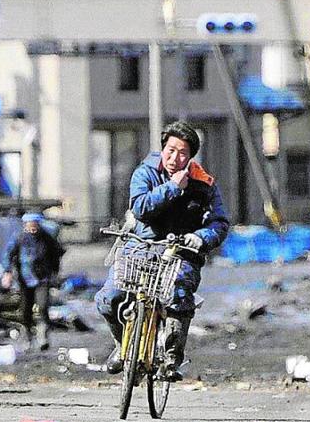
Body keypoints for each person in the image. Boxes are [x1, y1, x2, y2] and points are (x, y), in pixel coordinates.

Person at [95, 120, 230, 382]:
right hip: (140, 247)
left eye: (182, 153)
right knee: (109, 298)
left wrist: (199, 238)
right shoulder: (144, 173)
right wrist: (172, 188)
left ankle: (171, 358)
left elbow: (220, 223)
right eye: (170, 150)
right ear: (162, 149)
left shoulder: (204, 185)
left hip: (180, 253)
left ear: (190, 156)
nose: (174, 157)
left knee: (179, 296)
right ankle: (122, 346)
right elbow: (140, 207)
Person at [1, 212, 65, 351]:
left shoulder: (46, 238)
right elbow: (9, 254)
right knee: (25, 310)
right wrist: (8, 272)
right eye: (30, 225)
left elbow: (57, 254)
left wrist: (55, 273)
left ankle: (42, 336)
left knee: (42, 306)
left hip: (43, 278)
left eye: (35, 224)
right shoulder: (19, 238)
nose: (32, 227)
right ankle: (27, 336)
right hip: (24, 278)